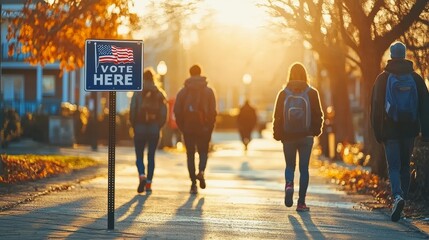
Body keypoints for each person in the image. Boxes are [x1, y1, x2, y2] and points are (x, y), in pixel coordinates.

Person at [370, 41, 429, 222]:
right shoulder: (417, 79)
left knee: (393, 166)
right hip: (410, 130)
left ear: (391, 55)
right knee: (405, 165)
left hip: (390, 131)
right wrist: (425, 133)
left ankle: (397, 197)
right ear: (404, 55)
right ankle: (402, 199)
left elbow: (375, 108)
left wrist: (378, 133)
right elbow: (425, 107)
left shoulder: (382, 79)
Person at [272, 62, 324, 211]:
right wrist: (315, 131)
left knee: (290, 165)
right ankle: (301, 203)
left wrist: (278, 134)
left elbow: (277, 116)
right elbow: (318, 115)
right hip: (306, 137)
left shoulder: (283, 93)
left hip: (288, 136)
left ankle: (289, 184)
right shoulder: (312, 93)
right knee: (304, 169)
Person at [174, 64, 217, 194]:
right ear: (200, 73)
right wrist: (209, 126)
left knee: (190, 155)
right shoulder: (209, 91)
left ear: (190, 74)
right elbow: (213, 111)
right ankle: (201, 171)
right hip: (204, 128)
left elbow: (177, 111)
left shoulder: (183, 91)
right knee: (203, 152)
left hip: (188, 128)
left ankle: (193, 183)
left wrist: (183, 127)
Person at [129, 67, 167, 193]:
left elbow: (133, 110)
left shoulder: (137, 92)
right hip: (154, 129)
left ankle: (141, 175)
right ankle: (149, 184)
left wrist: (134, 125)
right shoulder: (159, 93)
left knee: (139, 155)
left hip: (139, 128)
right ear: (154, 78)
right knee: (151, 156)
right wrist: (158, 126)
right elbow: (163, 113)